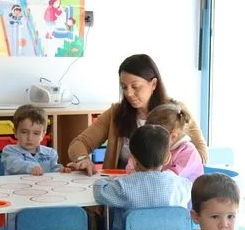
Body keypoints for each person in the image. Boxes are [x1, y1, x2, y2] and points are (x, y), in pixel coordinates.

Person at [66, 54, 208, 175]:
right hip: (125, 187)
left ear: (153, 84)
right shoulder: (116, 113)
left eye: (135, 87)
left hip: (166, 190)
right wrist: (83, 159)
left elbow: (202, 154)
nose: (128, 93)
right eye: (124, 87)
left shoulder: (175, 113)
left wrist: (171, 166)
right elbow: (79, 144)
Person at [92, 124, 192, 230]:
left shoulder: (124, 187)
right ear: (167, 158)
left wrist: (109, 180)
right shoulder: (180, 185)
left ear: (133, 158)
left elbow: (99, 191)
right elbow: (188, 188)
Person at [125, 103, 205, 182]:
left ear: (173, 137)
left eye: (154, 138)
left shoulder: (188, 152)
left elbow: (169, 180)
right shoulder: (154, 145)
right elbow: (130, 168)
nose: (149, 140)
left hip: (183, 190)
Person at [1, 104, 64, 176]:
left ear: (43, 135)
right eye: (24, 132)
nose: (30, 138)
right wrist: (31, 167)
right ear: (15, 132)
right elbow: (14, 165)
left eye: (36, 133)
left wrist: (61, 170)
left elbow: (54, 170)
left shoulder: (50, 153)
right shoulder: (9, 151)